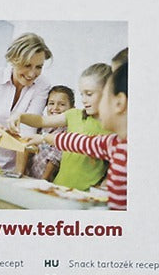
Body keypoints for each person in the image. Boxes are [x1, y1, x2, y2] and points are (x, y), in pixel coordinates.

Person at [38, 59, 127, 209]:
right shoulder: (111, 143)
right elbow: (75, 142)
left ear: (119, 102)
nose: (85, 102)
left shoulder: (116, 142)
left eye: (90, 94)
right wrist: (40, 137)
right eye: (82, 95)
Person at [0, 32, 52, 172]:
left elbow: (28, 131)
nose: (32, 74)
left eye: (39, 67)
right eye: (27, 65)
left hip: (15, 166)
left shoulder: (42, 85)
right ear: (13, 60)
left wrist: (18, 174)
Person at [16, 86, 73, 180]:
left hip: (46, 179)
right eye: (51, 103)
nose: (55, 108)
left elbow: (54, 160)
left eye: (62, 104)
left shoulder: (66, 132)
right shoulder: (43, 127)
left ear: (72, 109)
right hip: (30, 176)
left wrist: (43, 181)